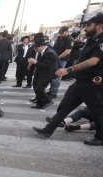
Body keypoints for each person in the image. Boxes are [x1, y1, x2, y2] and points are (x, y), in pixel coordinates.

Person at [33, 13, 103, 146]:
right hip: (80, 82)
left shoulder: (101, 42)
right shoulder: (92, 40)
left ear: (100, 25)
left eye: (89, 25)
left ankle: (100, 137)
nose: (85, 28)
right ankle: (48, 130)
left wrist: (68, 69)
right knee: (64, 106)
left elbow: (93, 61)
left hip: (92, 84)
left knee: (98, 112)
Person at [27, 38, 57, 109]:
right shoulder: (42, 51)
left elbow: (46, 65)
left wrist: (35, 62)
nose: (35, 50)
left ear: (41, 46)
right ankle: (39, 103)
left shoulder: (50, 52)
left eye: (36, 48)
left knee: (39, 88)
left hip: (47, 73)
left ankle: (48, 100)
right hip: (40, 72)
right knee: (35, 86)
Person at [47, 26, 74, 98]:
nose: (60, 34)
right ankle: (51, 90)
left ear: (66, 32)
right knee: (52, 75)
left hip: (62, 60)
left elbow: (67, 51)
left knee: (57, 76)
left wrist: (57, 58)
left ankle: (53, 93)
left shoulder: (70, 39)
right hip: (55, 59)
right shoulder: (59, 38)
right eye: (59, 33)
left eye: (61, 33)